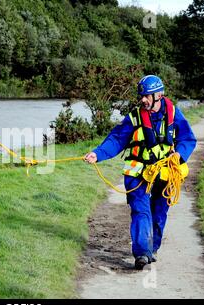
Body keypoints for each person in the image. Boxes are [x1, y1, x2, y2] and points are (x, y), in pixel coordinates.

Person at [84, 75, 197, 270]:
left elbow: (188, 139)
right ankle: (142, 253)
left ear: (159, 95)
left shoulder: (174, 114)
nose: (143, 100)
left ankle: (152, 249)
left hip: (165, 173)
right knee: (141, 210)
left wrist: (179, 155)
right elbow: (116, 140)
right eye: (141, 96)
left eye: (147, 96)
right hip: (137, 174)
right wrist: (97, 154)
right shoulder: (134, 117)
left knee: (160, 212)